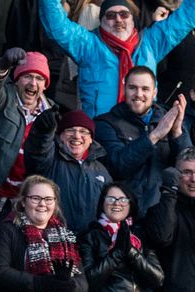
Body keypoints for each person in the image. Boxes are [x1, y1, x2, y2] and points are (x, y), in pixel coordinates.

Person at [39, 0, 195, 117]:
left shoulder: (150, 43)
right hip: (99, 134)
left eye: (124, 14)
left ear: (132, 20)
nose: (118, 20)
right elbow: (56, 26)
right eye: (111, 16)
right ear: (101, 22)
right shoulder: (88, 45)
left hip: (142, 130)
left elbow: (186, 16)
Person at [0, 48, 54, 238]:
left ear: (45, 85)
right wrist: (2, 66)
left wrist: (46, 135)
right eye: (28, 76)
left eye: (39, 79)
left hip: (21, 208)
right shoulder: (3, 99)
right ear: (16, 79)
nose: (33, 83)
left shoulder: (51, 115)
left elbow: (44, 165)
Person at [94, 66, 192, 216]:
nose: (138, 94)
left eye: (145, 89)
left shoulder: (170, 120)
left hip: (165, 213)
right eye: (133, 88)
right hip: (125, 213)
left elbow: (188, 166)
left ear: (155, 92)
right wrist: (155, 135)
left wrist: (177, 132)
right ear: (124, 88)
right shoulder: (105, 123)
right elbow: (117, 166)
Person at [78, 182, 164, 292]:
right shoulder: (90, 236)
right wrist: (116, 254)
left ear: (131, 204)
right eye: (111, 198)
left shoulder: (141, 236)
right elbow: (88, 281)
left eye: (123, 199)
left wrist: (131, 253)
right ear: (102, 203)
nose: (117, 203)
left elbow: (157, 279)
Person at [24, 109, 113, 233]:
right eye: (70, 130)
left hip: (88, 244)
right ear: (60, 135)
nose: (76, 136)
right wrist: (42, 131)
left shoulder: (101, 171)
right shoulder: (49, 160)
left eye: (83, 131)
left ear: (91, 138)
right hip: (52, 238)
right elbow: (37, 150)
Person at [145, 147, 195, 292]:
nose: (193, 179)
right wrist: (168, 192)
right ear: (175, 175)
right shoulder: (161, 210)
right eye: (186, 172)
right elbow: (162, 237)